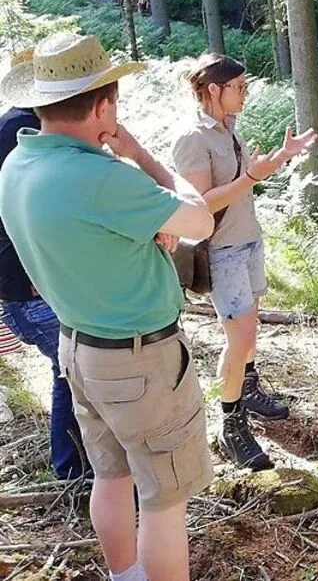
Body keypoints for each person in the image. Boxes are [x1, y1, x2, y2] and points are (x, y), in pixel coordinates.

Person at [0, 32, 215, 581]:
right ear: (102, 106)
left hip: (78, 346)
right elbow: (199, 220)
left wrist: (141, 232)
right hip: (138, 357)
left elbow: (82, 237)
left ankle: (126, 575)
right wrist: (139, 155)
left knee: (110, 475)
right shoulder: (103, 176)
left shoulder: (17, 166)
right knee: (164, 498)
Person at [171, 54, 317, 470]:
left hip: (248, 242)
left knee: (248, 337)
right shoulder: (194, 138)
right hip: (223, 250)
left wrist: (277, 160)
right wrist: (252, 177)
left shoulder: (228, 129)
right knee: (239, 339)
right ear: (213, 89)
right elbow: (197, 204)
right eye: (238, 86)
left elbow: (240, 183)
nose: (245, 93)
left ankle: (246, 389)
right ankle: (230, 424)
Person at [0, 47, 89, 479]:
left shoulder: (20, 126)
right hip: (29, 285)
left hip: (30, 280)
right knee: (74, 370)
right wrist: (31, 272)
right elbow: (16, 211)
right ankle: (75, 468)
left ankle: (77, 466)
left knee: (71, 369)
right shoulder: (19, 129)